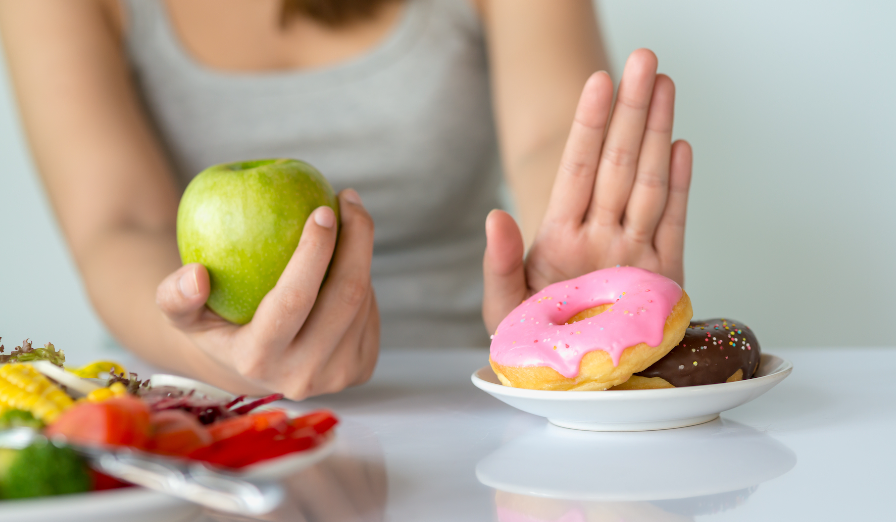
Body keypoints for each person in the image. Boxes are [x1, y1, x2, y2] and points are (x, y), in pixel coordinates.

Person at [0, 0, 691, 399]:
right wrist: (221, 358)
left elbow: (549, 140)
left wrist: (571, 292)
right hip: (191, 415)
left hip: (459, 407)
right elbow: (118, 223)